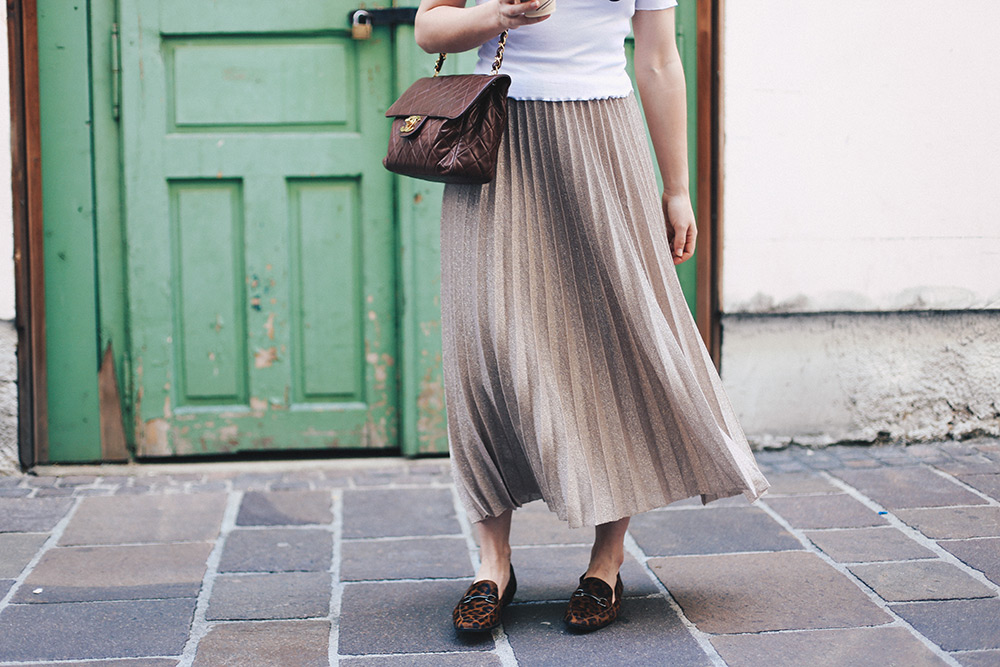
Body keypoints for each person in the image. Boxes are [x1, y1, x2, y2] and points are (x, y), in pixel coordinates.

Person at [413, 0, 770, 634]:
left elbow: (659, 60)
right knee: (486, 345)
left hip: (604, 138)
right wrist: (500, 14)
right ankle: (493, 564)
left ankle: (606, 563)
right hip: (497, 135)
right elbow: (428, 28)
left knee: (613, 338)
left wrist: (677, 187)